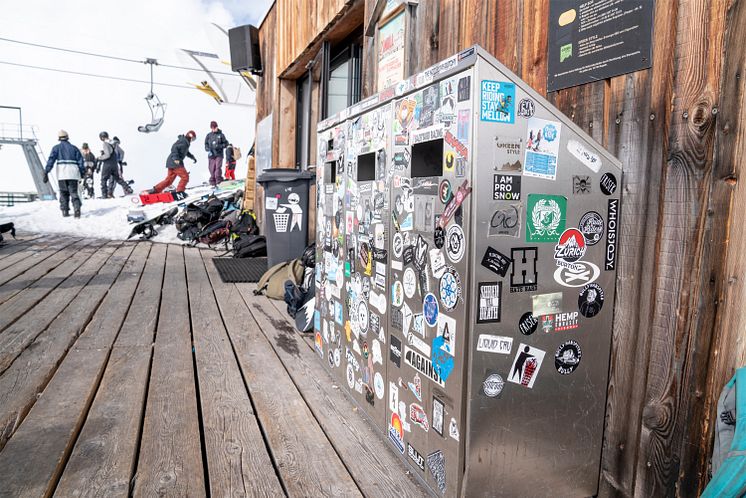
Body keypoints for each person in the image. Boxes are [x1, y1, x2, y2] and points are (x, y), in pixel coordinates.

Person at [44, 130, 85, 218]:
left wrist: (46, 172)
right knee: (74, 192)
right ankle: (77, 209)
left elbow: (51, 160)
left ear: (59, 138)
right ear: (67, 137)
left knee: (63, 193)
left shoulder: (56, 148)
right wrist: (82, 173)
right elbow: (81, 162)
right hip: (73, 174)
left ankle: (65, 211)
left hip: (62, 174)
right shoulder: (74, 148)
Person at [96, 131, 123, 198]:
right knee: (116, 178)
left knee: (105, 179)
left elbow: (107, 155)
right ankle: (127, 188)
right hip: (115, 163)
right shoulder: (113, 143)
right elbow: (122, 152)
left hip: (108, 163)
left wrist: (100, 158)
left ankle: (106, 194)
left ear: (102, 137)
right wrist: (119, 160)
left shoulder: (106, 143)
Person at [204, 120, 228, 187]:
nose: (214, 129)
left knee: (218, 168)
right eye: (212, 128)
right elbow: (206, 144)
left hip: (219, 154)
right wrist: (208, 149)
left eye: (215, 127)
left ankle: (219, 181)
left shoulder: (221, 135)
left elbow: (226, 143)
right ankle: (212, 182)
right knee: (211, 168)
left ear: (217, 127)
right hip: (211, 155)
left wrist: (219, 146)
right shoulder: (208, 135)